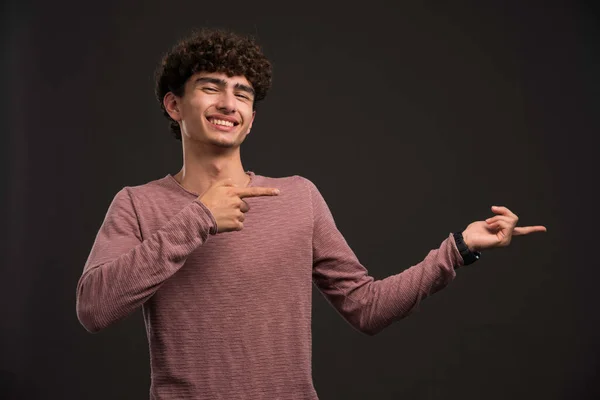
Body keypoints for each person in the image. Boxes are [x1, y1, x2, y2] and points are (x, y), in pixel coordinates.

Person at [75, 28, 547, 399]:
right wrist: (197, 219)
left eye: (242, 94)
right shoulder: (137, 204)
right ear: (174, 105)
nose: (228, 103)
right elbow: (94, 309)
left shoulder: (298, 197)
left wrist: (458, 250)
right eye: (211, 88)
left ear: (252, 116)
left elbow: (366, 307)